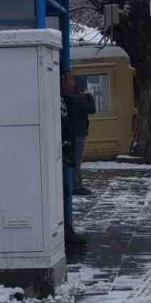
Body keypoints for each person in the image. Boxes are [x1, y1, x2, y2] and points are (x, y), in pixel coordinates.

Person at [59, 75, 89, 247]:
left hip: (65, 149)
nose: (71, 83)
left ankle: (65, 228)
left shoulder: (66, 100)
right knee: (62, 190)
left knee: (64, 190)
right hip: (61, 151)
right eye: (67, 80)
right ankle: (64, 230)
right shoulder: (63, 99)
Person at [62, 73, 95, 196]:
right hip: (78, 133)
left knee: (74, 159)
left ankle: (75, 183)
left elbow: (91, 109)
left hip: (74, 132)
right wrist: (86, 97)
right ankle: (76, 185)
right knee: (76, 160)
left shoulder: (70, 98)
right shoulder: (77, 99)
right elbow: (91, 109)